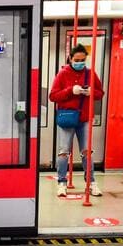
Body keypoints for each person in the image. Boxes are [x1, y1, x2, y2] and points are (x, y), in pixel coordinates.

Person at [48, 44, 104, 197]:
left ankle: (91, 182)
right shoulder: (62, 74)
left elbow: (100, 93)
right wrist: (70, 91)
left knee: (87, 152)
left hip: (85, 118)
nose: (80, 62)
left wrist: (91, 92)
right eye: (77, 60)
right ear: (71, 59)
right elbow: (53, 96)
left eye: (83, 60)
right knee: (63, 152)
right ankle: (61, 183)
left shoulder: (90, 74)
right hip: (67, 118)